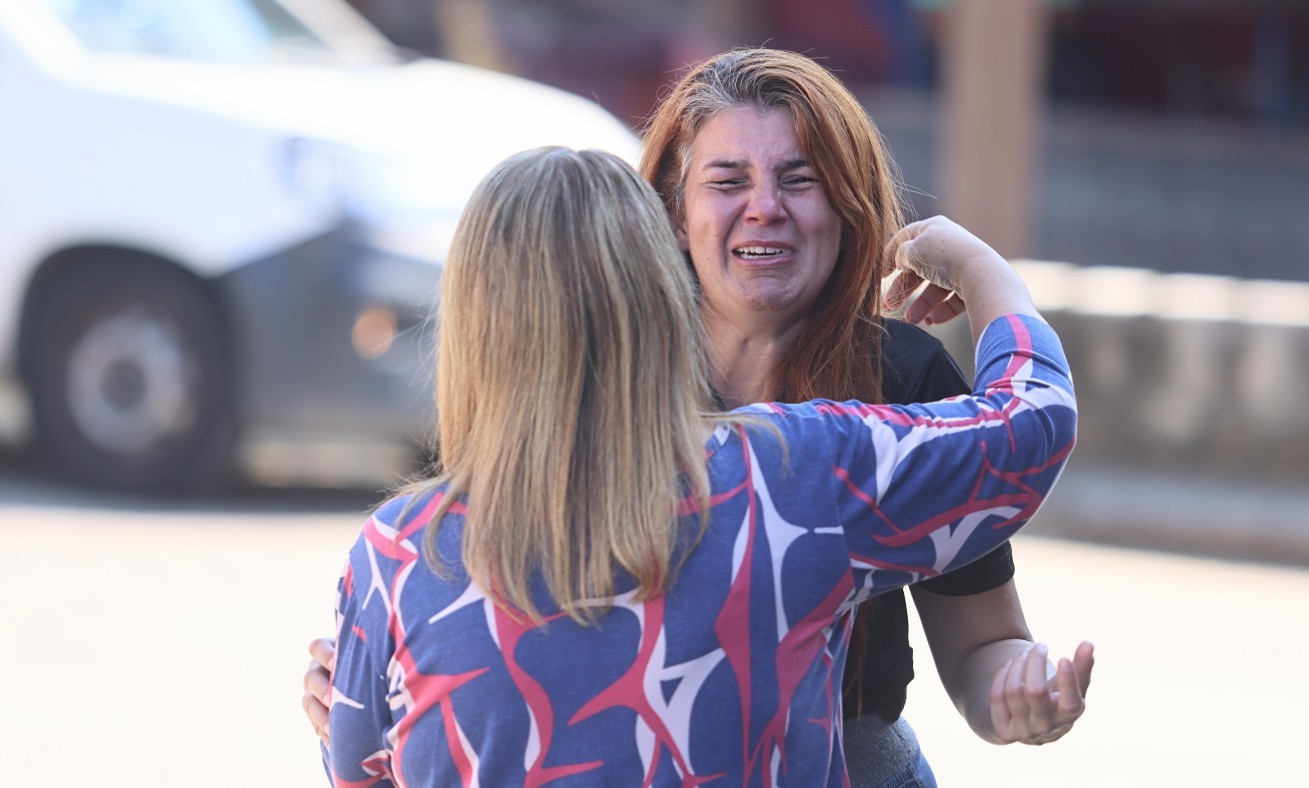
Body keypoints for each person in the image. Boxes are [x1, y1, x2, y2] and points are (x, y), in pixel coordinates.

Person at [305, 47, 1094, 784]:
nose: (764, 208)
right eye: (727, 182)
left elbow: (363, 762)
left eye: (799, 179)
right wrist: (988, 275)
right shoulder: (800, 469)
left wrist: (374, 701)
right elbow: (1032, 420)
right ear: (668, 222)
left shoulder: (396, 551)